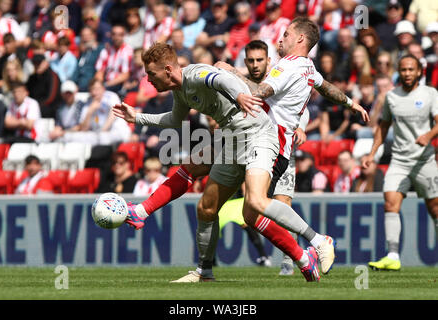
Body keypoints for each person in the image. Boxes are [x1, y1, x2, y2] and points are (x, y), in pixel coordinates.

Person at [116, 18, 369, 282]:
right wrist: (138, 118)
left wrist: (234, 83)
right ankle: (214, 269)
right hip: (236, 136)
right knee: (210, 207)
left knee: (254, 202)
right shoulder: (306, 68)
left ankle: (317, 240)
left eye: (285, 34)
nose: (280, 39)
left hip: (261, 135)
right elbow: (324, 86)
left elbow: (221, 78)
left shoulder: (285, 66)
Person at [363, 54, 438, 271]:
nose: (407, 73)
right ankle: (393, 256)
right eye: (403, 70)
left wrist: (429, 135)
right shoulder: (391, 97)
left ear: (419, 72)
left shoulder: (430, 93)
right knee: (390, 202)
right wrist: (372, 153)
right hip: (399, 161)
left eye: (411, 70)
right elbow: (383, 126)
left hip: (424, 160)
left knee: (434, 209)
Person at [94, 24, 133, 93]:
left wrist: (106, 85)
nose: (116, 37)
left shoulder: (128, 51)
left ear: (124, 36)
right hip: (106, 84)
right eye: (114, 34)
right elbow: (100, 72)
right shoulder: (105, 51)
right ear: (110, 35)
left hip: (120, 85)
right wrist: (99, 85)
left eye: (120, 35)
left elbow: (126, 75)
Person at [71, 26, 104, 92]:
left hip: (90, 88)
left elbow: (100, 71)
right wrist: (72, 84)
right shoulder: (83, 52)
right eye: (83, 36)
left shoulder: (101, 50)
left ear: (94, 36)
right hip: (78, 88)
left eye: (88, 35)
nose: (85, 38)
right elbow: (77, 70)